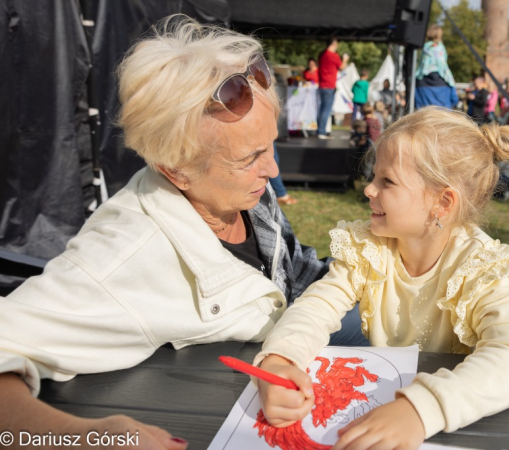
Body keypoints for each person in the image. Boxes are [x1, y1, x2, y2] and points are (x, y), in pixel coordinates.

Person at [0, 17, 367, 447]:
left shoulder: (241, 191)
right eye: (250, 158)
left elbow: (293, 268)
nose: (271, 170)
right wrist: (90, 437)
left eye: (270, 146)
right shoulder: (123, 255)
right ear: (176, 169)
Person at [255, 107, 509, 450]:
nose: (368, 190)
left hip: (452, 430)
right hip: (377, 396)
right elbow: (317, 306)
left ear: (442, 202)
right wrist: (281, 359)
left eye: (386, 181)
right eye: (373, 177)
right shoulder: (369, 247)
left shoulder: (478, 267)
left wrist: (422, 410)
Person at [415, 24, 458, 109]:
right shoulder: (447, 79)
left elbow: (414, 101)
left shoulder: (418, 80)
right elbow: (454, 100)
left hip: (425, 118)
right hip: (442, 118)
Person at [317, 39, 349, 139]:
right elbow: (342, 67)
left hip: (321, 85)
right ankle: (321, 131)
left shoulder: (322, 54)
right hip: (329, 85)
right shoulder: (333, 56)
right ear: (334, 44)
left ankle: (320, 130)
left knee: (322, 109)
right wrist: (345, 60)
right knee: (326, 109)